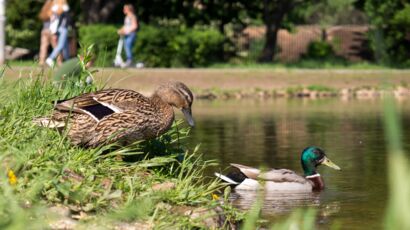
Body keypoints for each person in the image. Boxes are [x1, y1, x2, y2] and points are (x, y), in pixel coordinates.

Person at [46, 0, 71, 67]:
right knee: (61, 45)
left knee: (66, 47)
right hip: (63, 29)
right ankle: (50, 58)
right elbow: (67, 20)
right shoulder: (64, 8)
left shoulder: (55, 8)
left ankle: (68, 62)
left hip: (58, 29)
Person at [38, 0, 62, 66]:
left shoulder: (44, 9)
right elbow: (54, 20)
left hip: (44, 30)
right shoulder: (53, 9)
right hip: (51, 30)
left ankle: (41, 61)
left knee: (43, 47)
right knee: (56, 47)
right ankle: (59, 62)